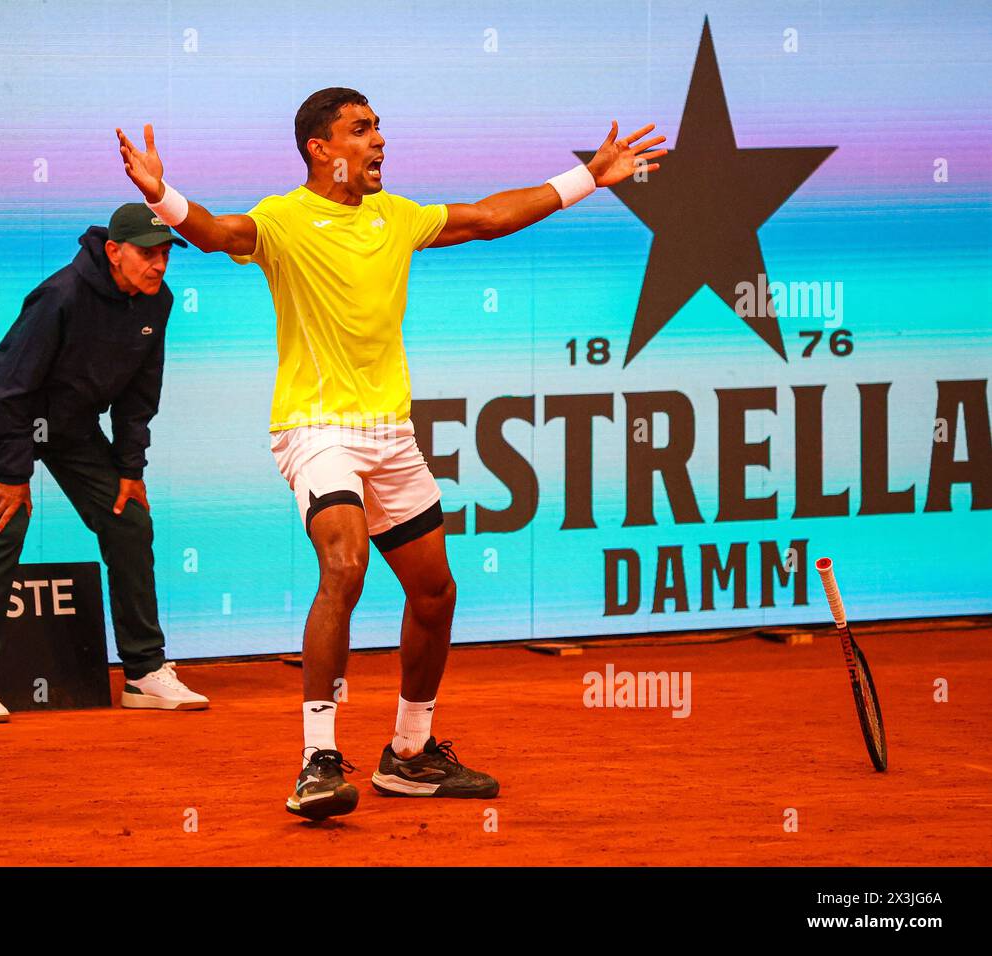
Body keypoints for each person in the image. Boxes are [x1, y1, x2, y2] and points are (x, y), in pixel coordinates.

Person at [117, 89, 664, 817]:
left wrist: (588, 177)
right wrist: (166, 196)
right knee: (344, 563)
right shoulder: (283, 220)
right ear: (320, 147)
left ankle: (409, 754)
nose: (379, 141)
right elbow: (217, 234)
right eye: (361, 129)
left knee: (435, 592)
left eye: (379, 128)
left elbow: (489, 217)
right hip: (315, 429)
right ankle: (317, 760)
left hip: (391, 436)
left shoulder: (395, 216)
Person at [0, 204, 209, 722]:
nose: (157, 265)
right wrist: (15, 476)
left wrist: (131, 470)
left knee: (129, 521)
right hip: (12, 416)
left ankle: (143, 671)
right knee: (9, 525)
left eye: (164, 255)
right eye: (146, 254)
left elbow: (139, 394)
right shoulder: (60, 295)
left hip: (73, 426)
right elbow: (12, 390)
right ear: (114, 251)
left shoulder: (157, 302)